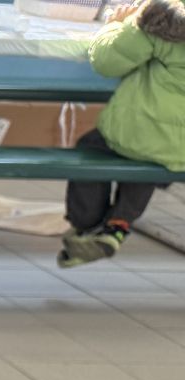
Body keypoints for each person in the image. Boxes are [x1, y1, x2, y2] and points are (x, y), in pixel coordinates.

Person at [61, 0, 185, 267]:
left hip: (146, 132)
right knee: (153, 159)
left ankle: (87, 224)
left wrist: (117, 24)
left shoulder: (163, 17)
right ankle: (119, 223)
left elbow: (106, 62)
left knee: (94, 148)